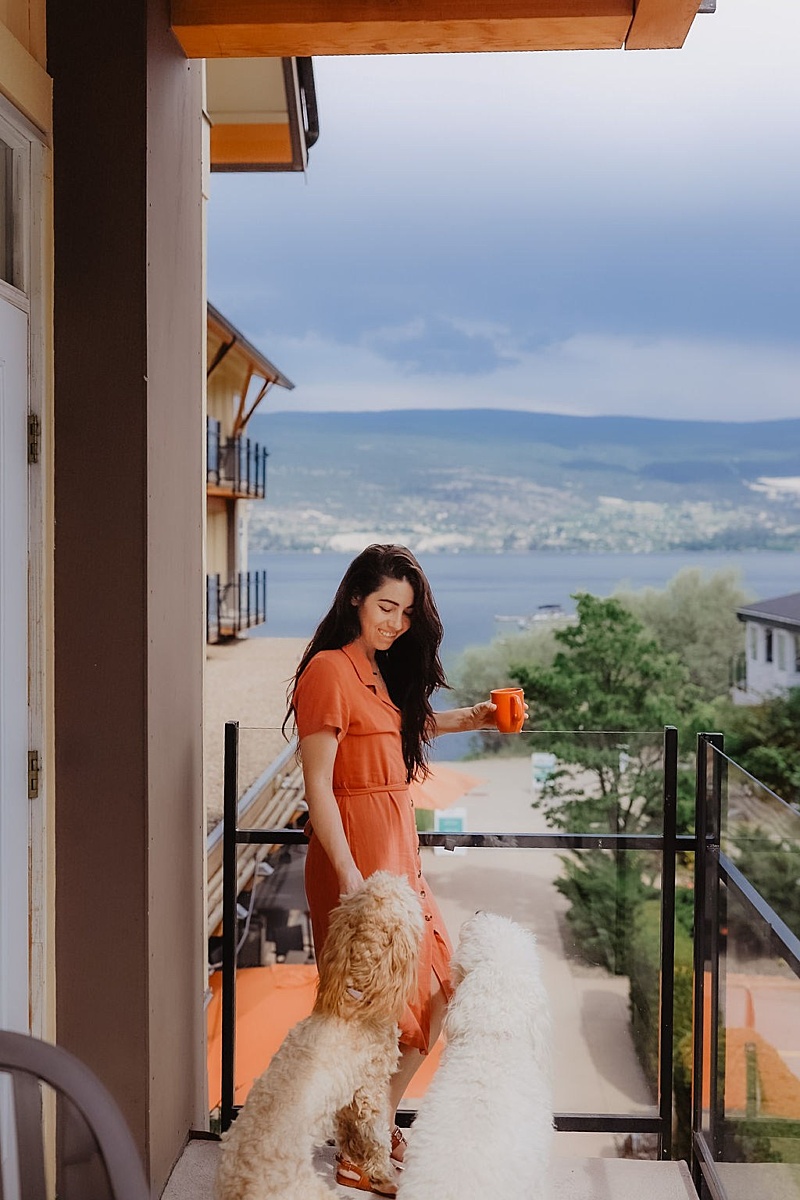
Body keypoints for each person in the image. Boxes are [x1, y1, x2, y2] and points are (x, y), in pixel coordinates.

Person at [285, 544, 501, 1195]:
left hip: (399, 857)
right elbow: (318, 785)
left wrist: (476, 719)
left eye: (406, 613)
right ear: (355, 597)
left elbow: (399, 731)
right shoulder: (327, 670)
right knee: (368, 1012)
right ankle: (360, 1147)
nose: (395, 622)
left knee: (437, 992)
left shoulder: (376, 672)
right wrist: (350, 874)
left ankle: (376, 1121)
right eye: (386, 607)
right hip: (358, 862)